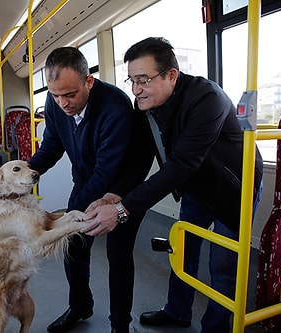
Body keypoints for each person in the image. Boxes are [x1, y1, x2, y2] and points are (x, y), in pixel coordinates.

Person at [82, 37, 264, 333]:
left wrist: (122, 210)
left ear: (171, 75)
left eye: (143, 80)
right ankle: (178, 311)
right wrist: (115, 195)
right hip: (196, 186)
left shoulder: (207, 98)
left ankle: (215, 328)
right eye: (132, 80)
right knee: (182, 252)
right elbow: (141, 158)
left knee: (223, 265)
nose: (136, 88)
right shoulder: (145, 105)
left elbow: (181, 165)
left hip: (234, 188)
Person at [27, 47, 153, 333]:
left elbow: (105, 174)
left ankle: (120, 325)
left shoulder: (116, 108)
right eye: (56, 94)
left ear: (89, 81)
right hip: (86, 182)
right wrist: (24, 175)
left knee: (118, 256)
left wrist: (64, 218)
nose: (62, 103)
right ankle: (81, 306)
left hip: (120, 190)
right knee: (74, 247)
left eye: (70, 95)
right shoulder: (55, 99)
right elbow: (52, 145)